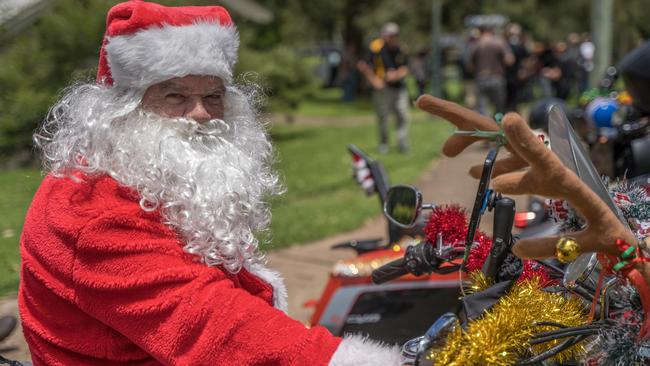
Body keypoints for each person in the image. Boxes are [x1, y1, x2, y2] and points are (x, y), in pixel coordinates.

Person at [18, 2, 401, 365]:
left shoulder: (140, 173)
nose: (201, 114)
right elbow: (210, 327)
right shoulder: (90, 210)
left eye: (213, 96)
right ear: (124, 106)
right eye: (176, 95)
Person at [357, 22, 410, 154]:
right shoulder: (375, 47)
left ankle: (402, 145)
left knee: (402, 115)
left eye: (395, 35)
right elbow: (363, 65)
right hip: (382, 88)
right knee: (383, 117)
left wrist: (396, 75)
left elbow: (405, 68)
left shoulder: (400, 48)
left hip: (398, 88)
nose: (393, 38)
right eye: (390, 35)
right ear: (384, 35)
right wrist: (374, 80)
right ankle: (383, 145)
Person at [467, 25, 514, 116]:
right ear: (492, 31)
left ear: (481, 32)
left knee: (482, 109)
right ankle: (498, 127)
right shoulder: (499, 42)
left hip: (481, 78)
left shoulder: (476, 44)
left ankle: (485, 127)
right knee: (499, 108)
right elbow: (509, 60)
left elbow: (470, 66)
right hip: (497, 77)